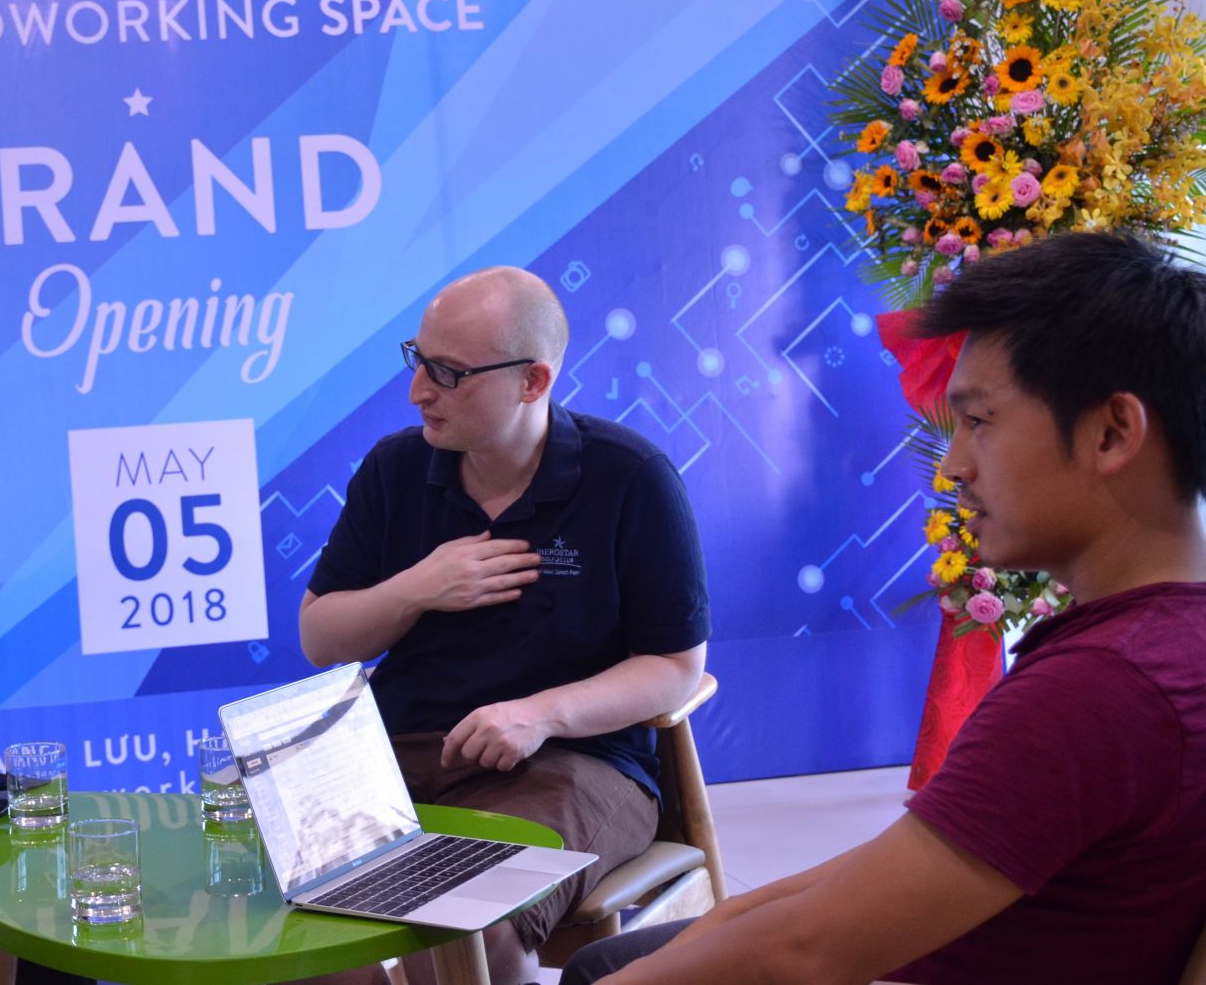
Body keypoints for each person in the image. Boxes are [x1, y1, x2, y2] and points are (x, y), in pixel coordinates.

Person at [564, 232, 1206, 985]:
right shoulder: (1163, 642)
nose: (953, 466)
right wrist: (732, 920)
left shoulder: (1099, 688)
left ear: (1112, 432)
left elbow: (806, 952)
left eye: (980, 421)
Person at [298, 266, 710, 983]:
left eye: (449, 372)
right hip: (400, 753)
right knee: (287, 910)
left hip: (571, 761)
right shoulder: (396, 470)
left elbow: (675, 667)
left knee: (471, 917)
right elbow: (321, 638)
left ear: (532, 381)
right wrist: (418, 588)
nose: (418, 391)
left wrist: (539, 714)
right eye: (418, 360)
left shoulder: (630, 477)